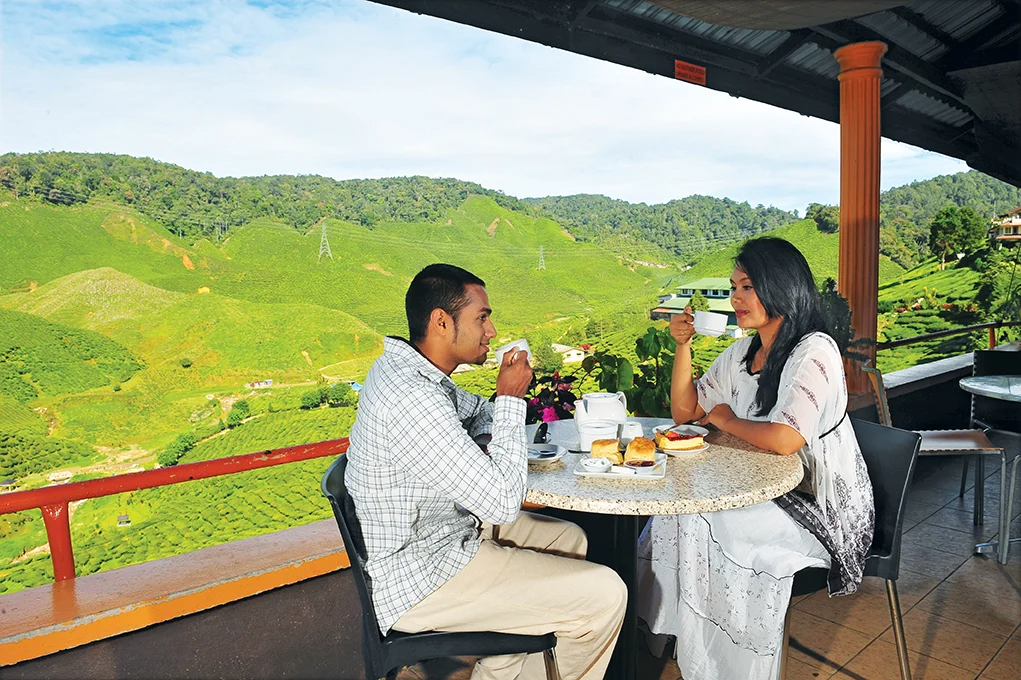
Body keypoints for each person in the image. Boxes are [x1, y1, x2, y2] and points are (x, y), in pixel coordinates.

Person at [346, 263, 627, 680]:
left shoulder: (416, 374)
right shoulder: (411, 396)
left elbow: (479, 411)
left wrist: (489, 422)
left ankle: (502, 671)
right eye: (482, 318)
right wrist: (510, 397)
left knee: (570, 540)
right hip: (420, 575)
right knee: (607, 594)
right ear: (441, 321)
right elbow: (501, 503)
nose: (492, 331)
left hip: (441, 536)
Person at [636, 238, 875, 680]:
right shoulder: (741, 354)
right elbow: (686, 413)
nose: (736, 298)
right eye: (733, 288)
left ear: (781, 286)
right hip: (758, 487)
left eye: (747, 286)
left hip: (817, 502)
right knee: (675, 514)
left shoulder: (814, 351)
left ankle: (727, 664)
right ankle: (683, 640)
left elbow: (785, 439)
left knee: (710, 519)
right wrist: (683, 346)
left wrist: (726, 419)